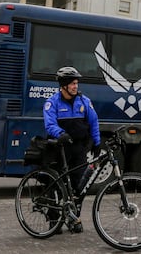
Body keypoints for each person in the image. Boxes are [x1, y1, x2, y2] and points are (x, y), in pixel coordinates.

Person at [43, 66, 101, 232]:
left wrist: (96, 143)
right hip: (60, 147)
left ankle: (74, 219)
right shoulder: (52, 102)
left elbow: (94, 121)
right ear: (63, 86)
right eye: (72, 83)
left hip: (78, 148)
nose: (75, 86)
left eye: (76, 83)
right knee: (56, 185)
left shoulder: (84, 101)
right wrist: (60, 133)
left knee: (78, 185)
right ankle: (54, 220)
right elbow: (49, 124)